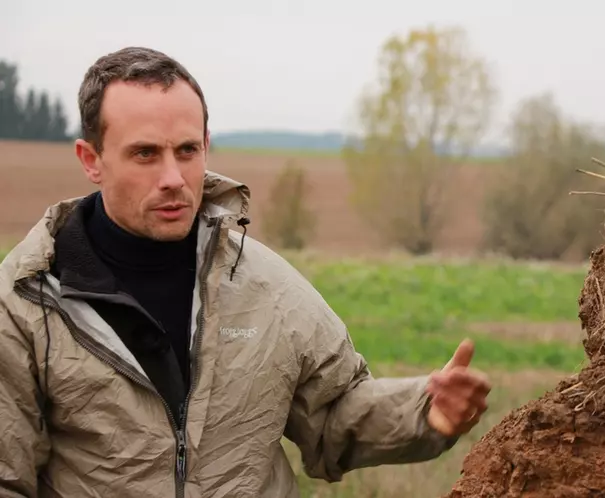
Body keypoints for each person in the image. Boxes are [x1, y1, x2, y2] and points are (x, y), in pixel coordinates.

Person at [0, 46, 491, 497]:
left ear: (207, 146)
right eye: (145, 153)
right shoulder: (26, 301)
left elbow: (335, 413)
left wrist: (426, 411)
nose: (173, 178)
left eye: (187, 150)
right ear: (91, 159)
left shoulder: (265, 285)